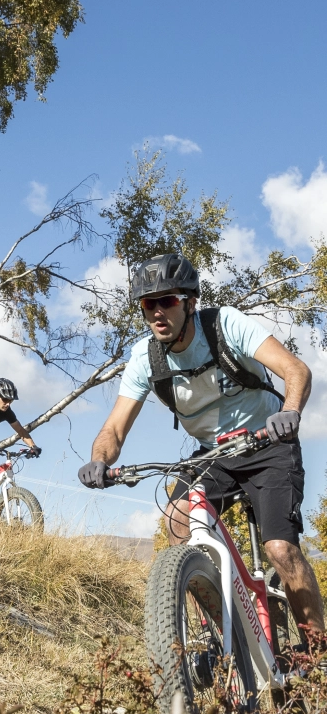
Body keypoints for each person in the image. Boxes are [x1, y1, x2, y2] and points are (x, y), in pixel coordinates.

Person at [78, 252, 324, 638]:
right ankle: (221, 634)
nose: (158, 311)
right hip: (214, 455)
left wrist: (290, 411)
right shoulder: (146, 358)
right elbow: (114, 429)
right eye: (148, 303)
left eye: (168, 300)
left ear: (190, 302)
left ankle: (318, 654)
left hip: (267, 442)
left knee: (280, 549)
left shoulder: (225, 325)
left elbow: (296, 370)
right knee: (177, 518)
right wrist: (99, 460)